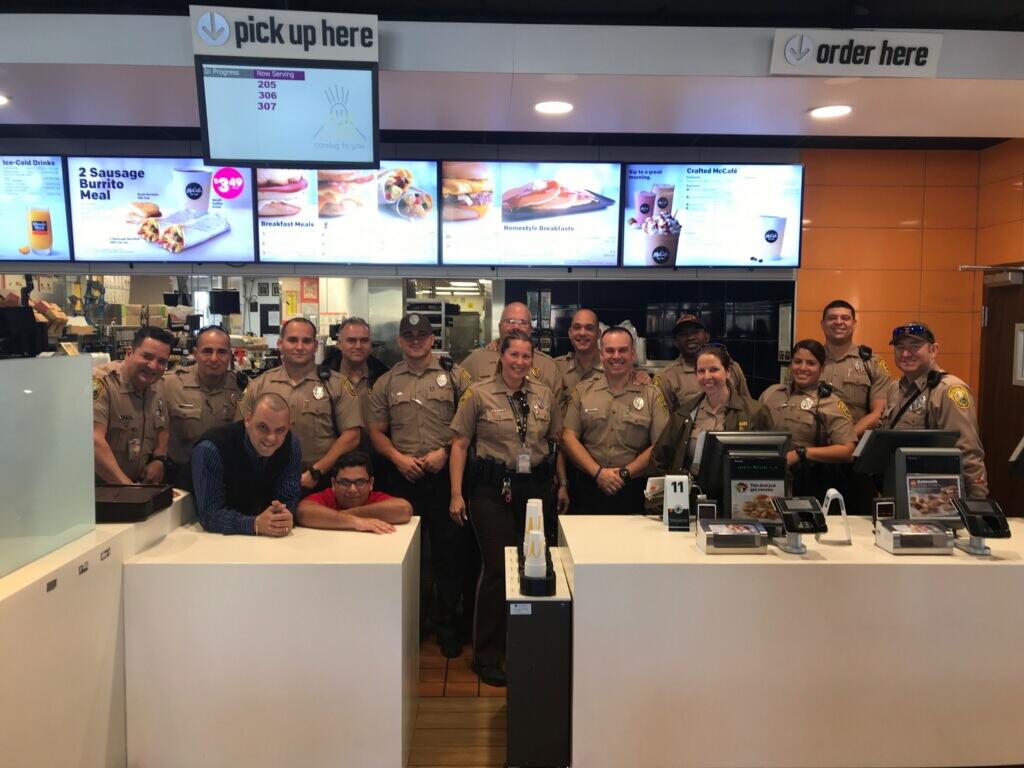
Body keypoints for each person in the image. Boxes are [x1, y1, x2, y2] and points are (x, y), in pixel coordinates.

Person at [448, 331, 567, 687]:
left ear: (533, 359)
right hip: (491, 491)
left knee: (535, 565)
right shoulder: (479, 393)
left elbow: (554, 442)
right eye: (513, 355)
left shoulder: (544, 394)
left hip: (535, 490)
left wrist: (563, 483)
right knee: (498, 568)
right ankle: (487, 654)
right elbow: (459, 445)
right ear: (501, 355)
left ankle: (525, 644)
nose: (519, 362)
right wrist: (456, 493)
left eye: (525, 356)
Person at [367, 313, 470, 658]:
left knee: (448, 555)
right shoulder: (385, 382)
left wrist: (443, 453)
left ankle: (446, 626)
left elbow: (469, 427)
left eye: (422, 335)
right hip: (403, 477)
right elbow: (376, 432)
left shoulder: (455, 376)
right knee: (404, 556)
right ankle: (409, 624)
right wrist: (397, 458)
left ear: (432, 339)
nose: (415, 340)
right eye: (408, 335)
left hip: (444, 476)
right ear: (399, 340)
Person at [237, 317, 362, 491]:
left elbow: (352, 436)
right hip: (269, 479)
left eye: (307, 341)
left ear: (316, 346)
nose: (299, 347)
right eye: (292, 340)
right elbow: (241, 430)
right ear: (280, 343)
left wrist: (316, 471)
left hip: (322, 480)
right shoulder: (259, 386)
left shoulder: (337, 385)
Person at [562, 326, 669, 514]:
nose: (616, 356)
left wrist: (625, 474)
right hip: (588, 488)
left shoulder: (651, 394)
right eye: (610, 350)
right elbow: (568, 438)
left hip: (634, 490)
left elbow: (660, 444)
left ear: (633, 353)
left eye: (623, 350)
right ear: (601, 354)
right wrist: (598, 473)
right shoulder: (583, 391)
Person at [884, 322, 988, 498]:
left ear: (933, 350)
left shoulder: (949, 390)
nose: (906, 354)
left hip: (934, 497)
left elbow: (968, 452)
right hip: (898, 490)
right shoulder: (895, 388)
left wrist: (977, 504)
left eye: (915, 346)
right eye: (900, 347)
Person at [190, 392, 301, 537]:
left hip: (266, 540)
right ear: (248, 420)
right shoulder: (211, 448)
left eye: (280, 430)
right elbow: (210, 515)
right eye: (263, 427)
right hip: (200, 536)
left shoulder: (291, 445)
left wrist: (283, 517)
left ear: (288, 427)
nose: (271, 438)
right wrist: (254, 524)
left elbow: (288, 500)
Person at [759, 339, 858, 499]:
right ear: (790, 364)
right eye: (797, 361)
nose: (803, 368)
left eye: (811, 363)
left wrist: (801, 454)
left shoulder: (830, 402)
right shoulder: (771, 394)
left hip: (808, 485)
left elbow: (847, 451)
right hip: (767, 481)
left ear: (822, 368)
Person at [650, 345, 769, 476]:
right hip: (693, 491)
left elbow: (773, 461)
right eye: (701, 371)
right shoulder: (684, 413)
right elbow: (659, 459)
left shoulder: (755, 412)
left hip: (738, 491)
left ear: (728, 371)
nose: (707, 377)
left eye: (714, 370)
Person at [162, 325, 245, 488]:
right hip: (181, 477)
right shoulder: (169, 385)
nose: (214, 358)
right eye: (207, 351)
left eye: (221, 352)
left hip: (226, 478)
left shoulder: (242, 387)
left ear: (230, 355)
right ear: (195, 353)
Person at [93, 325, 172, 485]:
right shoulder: (102, 383)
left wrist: (159, 459)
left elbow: (162, 427)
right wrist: (129, 490)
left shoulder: (158, 386)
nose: (153, 366)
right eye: (147, 357)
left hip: (136, 489)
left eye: (161, 361)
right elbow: (94, 441)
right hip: (99, 494)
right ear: (129, 353)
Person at [460, 301, 564, 403]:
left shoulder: (548, 367)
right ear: (500, 327)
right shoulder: (475, 361)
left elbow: (558, 413)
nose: (516, 327)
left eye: (522, 323)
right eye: (510, 321)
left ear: (530, 329)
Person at [820, 300, 893, 436]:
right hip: (811, 446)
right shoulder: (808, 362)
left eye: (845, 318)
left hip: (856, 446)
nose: (838, 322)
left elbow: (879, 412)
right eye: (832, 318)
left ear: (854, 324)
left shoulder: (872, 363)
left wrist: (845, 438)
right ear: (823, 324)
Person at [296, 451, 412, 533]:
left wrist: (339, 516)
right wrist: (355, 522)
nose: (352, 489)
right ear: (333, 484)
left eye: (360, 482)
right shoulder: (328, 496)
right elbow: (303, 512)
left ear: (371, 483)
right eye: (345, 482)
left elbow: (404, 509)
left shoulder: (374, 498)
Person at [655, 314, 751, 411]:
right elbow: (665, 421)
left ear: (707, 337)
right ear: (676, 342)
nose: (690, 337)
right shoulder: (666, 378)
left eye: (695, 332)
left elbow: (747, 407)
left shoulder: (731, 368)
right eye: (683, 334)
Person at [554, 308, 603, 399]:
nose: (582, 333)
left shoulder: (612, 366)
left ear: (598, 334)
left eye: (589, 328)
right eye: (577, 327)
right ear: (570, 333)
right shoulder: (557, 367)